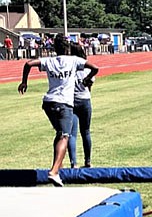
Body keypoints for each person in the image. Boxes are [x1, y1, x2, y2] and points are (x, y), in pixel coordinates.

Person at [18, 33, 98, 186]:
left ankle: (58, 164)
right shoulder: (74, 60)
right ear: (68, 48)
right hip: (64, 104)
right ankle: (54, 171)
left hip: (49, 102)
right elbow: (95, 68)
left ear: (54, 48)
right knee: (65, 136)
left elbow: (28, 63)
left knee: (60, 133)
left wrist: (24, 82)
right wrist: (87, 79)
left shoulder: (49, 60)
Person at [67, 42, 95, 169]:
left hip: (71, 101)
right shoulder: (87, 67)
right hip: (85, 100)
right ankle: (88, 161)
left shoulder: (68, 67)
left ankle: (74, 163)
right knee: (86, 132)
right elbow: (90, 86)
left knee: (71, 134)